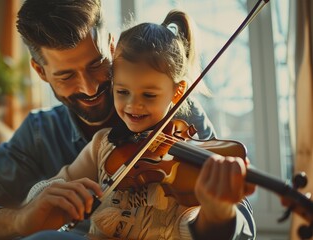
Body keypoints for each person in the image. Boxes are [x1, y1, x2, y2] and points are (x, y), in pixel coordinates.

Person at [0, 0, 216, 239]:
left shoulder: (177, 115)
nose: (88, 87)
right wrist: (21, 219)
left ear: (110, 45)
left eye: (96, 64)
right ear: (41, 72)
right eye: (66, 76)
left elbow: (241, 224)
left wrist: (218, 209)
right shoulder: (39, 131)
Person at [23, 9, 256, 240]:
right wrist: (48, 196)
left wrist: (216, 212)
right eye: (123, 91)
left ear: (178, 93)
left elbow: (190, 223)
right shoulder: (103, 145)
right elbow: (56, 185)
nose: (133, 105)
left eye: (149, 95)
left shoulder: (188, 160)